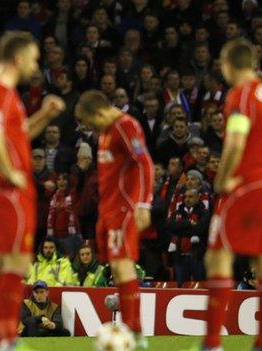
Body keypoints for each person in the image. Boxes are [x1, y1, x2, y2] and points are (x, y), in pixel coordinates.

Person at [0, 31, 65, 351]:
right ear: (17, 58)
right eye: (34, 58)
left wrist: (45, 115)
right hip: (6, 190)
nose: (36, 65)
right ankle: (5, 339)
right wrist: (11, 173)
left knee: (1, 265)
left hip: (2, 190)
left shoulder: (2, 93)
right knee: (14, 264)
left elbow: (18, 135)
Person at [198, 39, 262, 351]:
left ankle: (212, 343)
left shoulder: (242, 94)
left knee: (218, 255)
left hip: (245, 183)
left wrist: (223, 180)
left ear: (227, 65)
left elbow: (236, 141)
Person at [75, 90, 154, 348]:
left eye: (89, 122)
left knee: (123, 266)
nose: (89, 128)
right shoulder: (105, 132)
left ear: (98, 113)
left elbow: (144, 163)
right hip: (108, 211)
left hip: (124, 208)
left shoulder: (125, 125)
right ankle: (131, 331)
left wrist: (143, 204)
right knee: (117, 270)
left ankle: (137, 334)